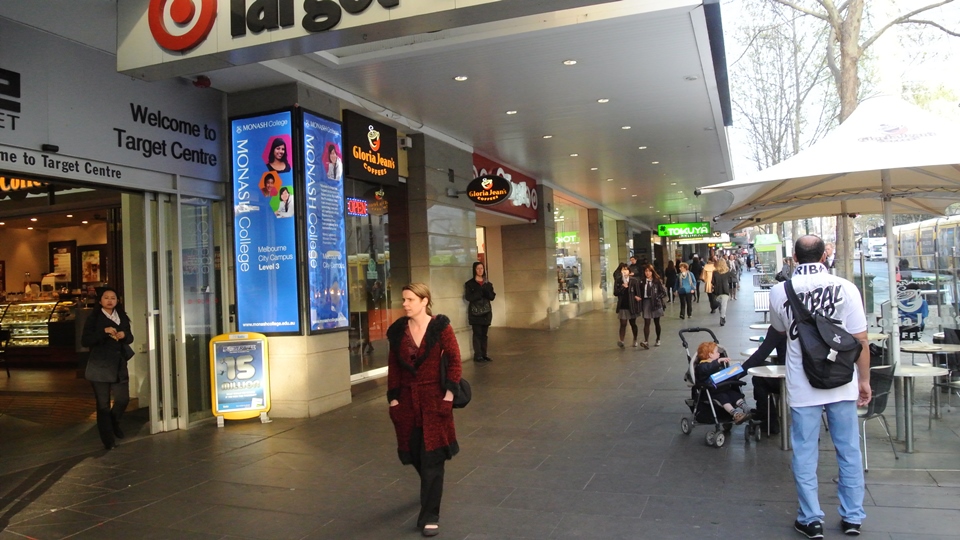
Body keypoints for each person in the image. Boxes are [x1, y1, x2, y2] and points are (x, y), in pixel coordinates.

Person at [769, 235, 871, 538]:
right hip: (842, 380)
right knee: (849, 449)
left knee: (804, 451)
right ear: (824, 255)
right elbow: (861, 340)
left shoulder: (779, 291)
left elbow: (779, 329)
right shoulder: (846, 288)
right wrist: (864, 380)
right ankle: (852, 517)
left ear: (794, 257)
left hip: (803, 384)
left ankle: (811, 518)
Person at [386, 283, 462, 537]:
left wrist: (449, 396)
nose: (405, 304)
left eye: (410, 299)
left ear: (424, 301)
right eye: (403, 299)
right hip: (407, 404)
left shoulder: (440, 327)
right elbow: (394, 367)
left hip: (434, 402)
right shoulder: (398, 331)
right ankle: (430, 487)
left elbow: (454, 360)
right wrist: (394, 399)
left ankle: (430, 516)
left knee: (432, 458)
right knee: (415, 454)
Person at [81, 287, 134, 450]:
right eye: (106, 297)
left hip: (119, 364)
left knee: (123, 399)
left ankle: (113, 422)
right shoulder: (94, 318)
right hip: (100, 365)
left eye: (113, 298)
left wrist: (124, 335)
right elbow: (85, 340)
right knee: (103, 405)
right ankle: (108, 440)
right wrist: (103, 332)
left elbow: (130, 338)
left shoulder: (122, 316)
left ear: (117, 301)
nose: (110, 300)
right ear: (100, 301)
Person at [742, 326, 787, 434]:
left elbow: (760, 355)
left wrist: (734, 374)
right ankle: (764, 414)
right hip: (815, 379)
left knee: (759, 375)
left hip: (789, 380)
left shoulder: (779, 328)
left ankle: (768, 420)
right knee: (763, 367)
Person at [694, 341, 751, 424]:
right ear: (710, 355)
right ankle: (735, 414)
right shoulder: (702, 366)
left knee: (734, 395)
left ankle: (746, 408)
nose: (719, 354)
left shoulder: (717, 364)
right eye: (717, 352)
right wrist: (718, 361)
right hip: (713, 391)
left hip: (724, 388)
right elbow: (708, 368)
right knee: (723, 398)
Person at [464, 262, 496, 362]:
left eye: (481, 268)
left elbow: (492, 297)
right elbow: (468, 297)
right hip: (475, 313)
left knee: (484, 335)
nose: (480, 270)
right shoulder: (470, 284)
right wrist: (479, 292)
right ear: (474, 270)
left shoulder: (487, 283)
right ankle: (478, 355)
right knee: (477, 334)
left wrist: (486, 291)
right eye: (478, 268)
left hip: (486, 312)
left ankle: (484, 354)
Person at [613, 262, 641, 348]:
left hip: (632, 305)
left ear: (629, 271)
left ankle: (635, 339)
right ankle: (621, 340)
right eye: (623, 270)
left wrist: (637, 297)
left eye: (626, 270)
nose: (624, 271)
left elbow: (638, 293)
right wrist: (623, 287)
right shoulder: (618, 281)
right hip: (622, 305)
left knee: (633, 323)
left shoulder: (634, 281)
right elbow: (615, 293)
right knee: (623, 323)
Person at [638, 264, 667, 348]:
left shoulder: (657, 281)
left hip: (655, 302)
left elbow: (663, 292)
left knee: (656, 322)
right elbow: (639, 291)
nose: (647, 273)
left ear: (652, 272)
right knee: (646, 322)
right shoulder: (642, 281)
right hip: (646, 302)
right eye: (646, 271)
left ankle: (658, 338)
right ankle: (646, 341)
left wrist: (657, 297)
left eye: (649, 271)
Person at [712, 258, 733, 326]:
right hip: (725, 290)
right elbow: (730, 281)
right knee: (724, 305)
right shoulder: (727, 272)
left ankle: (722, 316)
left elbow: (713, 282)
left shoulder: (715, 272)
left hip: (717, 291)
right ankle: (722, 318)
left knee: (721, 304)